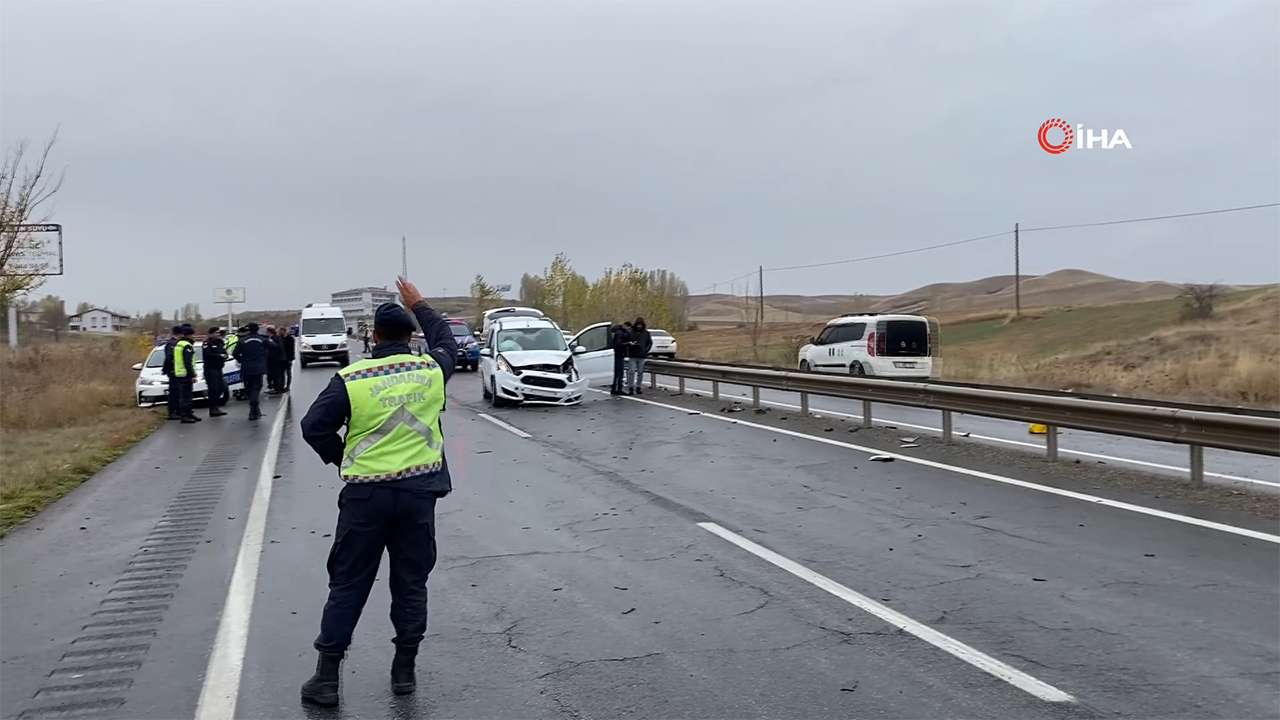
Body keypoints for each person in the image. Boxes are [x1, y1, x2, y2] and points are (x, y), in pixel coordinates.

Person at [298, 278, 457, 707]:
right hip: (418, 495)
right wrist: (419, 302)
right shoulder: (431, 370)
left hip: (366, 498)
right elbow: (445, 340)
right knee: (410, 583)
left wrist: (344, 458)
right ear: (409, 336)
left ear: (374, 337)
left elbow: (313, 426)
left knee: (348, 584)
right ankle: (403, 672)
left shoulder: (351, 378)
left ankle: (327, 679)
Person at [233, 322, 268, 420]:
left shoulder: (242, 341)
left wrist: (242, 360)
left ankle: (255, 410)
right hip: (258, 368)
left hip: (246, 368)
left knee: (248, 388)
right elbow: (275, 347)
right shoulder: (263, 340)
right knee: (256, 389)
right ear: (257, 329)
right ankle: (253, 410)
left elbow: (235, 353)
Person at [172, 324, 201, 424]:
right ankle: (185, 415)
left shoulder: (178, 344)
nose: (193, 336)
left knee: (185, 395)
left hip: (180, 373)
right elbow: (187, 362)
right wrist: (192, 375)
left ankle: (189, 413)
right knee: (186, 396)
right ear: (188, 335)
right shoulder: (187, 346)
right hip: (185, 374)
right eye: (192, 335)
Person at [204, 327, 229, 417]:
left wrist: (225, 356)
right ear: (211, 334)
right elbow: (207, 355)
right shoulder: (207, 343)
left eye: (219, 333)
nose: (218, 334)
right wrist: (219, 356)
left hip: (219, 368)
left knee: (221, 387)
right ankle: (213, 408)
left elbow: (224, 352)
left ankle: (216, 406)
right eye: (216, 333)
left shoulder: (220, 342)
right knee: (213, 389)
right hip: (211, 369)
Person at [627, 316, 652, 395]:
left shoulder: (646, 333)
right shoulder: (631, 333)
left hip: (642, 356)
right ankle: (631, 386)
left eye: (641, 325)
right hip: (633, 355)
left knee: (640, 372)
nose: (639, 326)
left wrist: (645, 350)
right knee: (631, 371)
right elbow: (627, 342)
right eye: (638, 325)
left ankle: (638, 387)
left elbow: (649, 343)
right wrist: (631, 345)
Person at [162, 325, 182, 420]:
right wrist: (168, 369)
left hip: (175, 371)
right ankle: (172, 412)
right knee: (174, 393)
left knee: (177, 392)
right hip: (173, 371)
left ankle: (178, 411)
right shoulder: (172, 344)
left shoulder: (174, 343)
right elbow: (169, 358)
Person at [609, 321, 632, 396]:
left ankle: (615, 388)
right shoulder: (620, 333)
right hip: (619, 354)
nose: (628, 329)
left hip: (617, 354)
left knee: (617, 372)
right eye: (628, 328)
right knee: (619, 372)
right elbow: (618, 343)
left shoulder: (617, 331)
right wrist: (628, 343)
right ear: (625, 326)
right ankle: (618, 388)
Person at [265, 327, 285, 395]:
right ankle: (277, 387)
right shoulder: (273, 338)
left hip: (277, 360)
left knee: (277, 375)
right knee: (276, 374)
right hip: (276, 359)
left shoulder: (276, 338)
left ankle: (278, 388)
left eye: (267, 332)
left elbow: (279, 348)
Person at [279, 324, 296, 391]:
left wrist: (291, 358)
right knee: (282, 373)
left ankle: (288, 386)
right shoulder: (280, 338)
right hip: (282, 358)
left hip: (288, 358)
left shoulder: (290, 339)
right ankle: (282, 386)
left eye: (281, 331)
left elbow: (292, 349)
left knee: (288, 373)